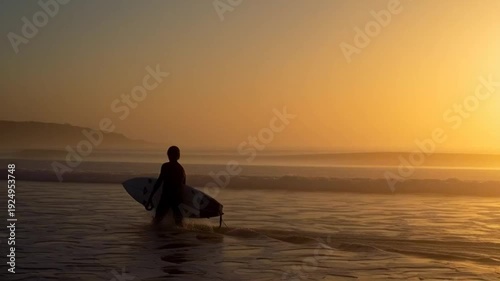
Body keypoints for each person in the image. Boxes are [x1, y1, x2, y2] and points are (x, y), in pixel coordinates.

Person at [147, 146, 186, 226]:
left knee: (156, 222)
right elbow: (184, 187)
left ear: (168, 155)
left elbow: (159, 182)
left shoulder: (166, 166)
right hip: (177, 199)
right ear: (178, 156)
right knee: (179, 224)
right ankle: (179, 238)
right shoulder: (181, 169)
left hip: (166, 198)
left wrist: (150, 197)